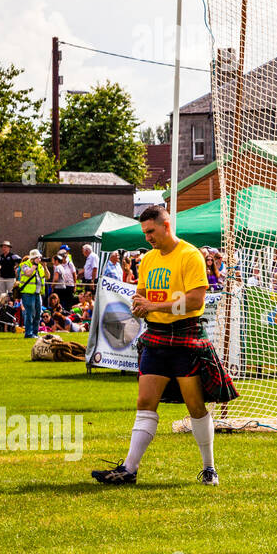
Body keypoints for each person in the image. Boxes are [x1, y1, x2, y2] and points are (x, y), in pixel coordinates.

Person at [91, 205, 238, 487]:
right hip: (156, 337)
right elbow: (141, 293)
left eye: (151, 231)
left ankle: (209, 468)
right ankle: (129, 469)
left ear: (166, 226)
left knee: (195, 405)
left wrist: (153, 305)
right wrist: (138, 305)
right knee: (145, 402)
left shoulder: (190, 255)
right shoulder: (147, 259)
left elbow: (196, 302)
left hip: (185, 336)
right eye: (144, 232)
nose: (147, 237)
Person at [15, 249, 47, 339]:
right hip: (27, 293)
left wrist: (45, 266)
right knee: (30, 313)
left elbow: (47, 276)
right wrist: (34, 266)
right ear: (33, 258)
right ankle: (28, 333)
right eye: (38, 258)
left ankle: (35, 333)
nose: (40, 259)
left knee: (37, 313)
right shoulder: (25, 265)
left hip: (38, 293)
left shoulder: (40, 266)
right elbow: (28, 273)